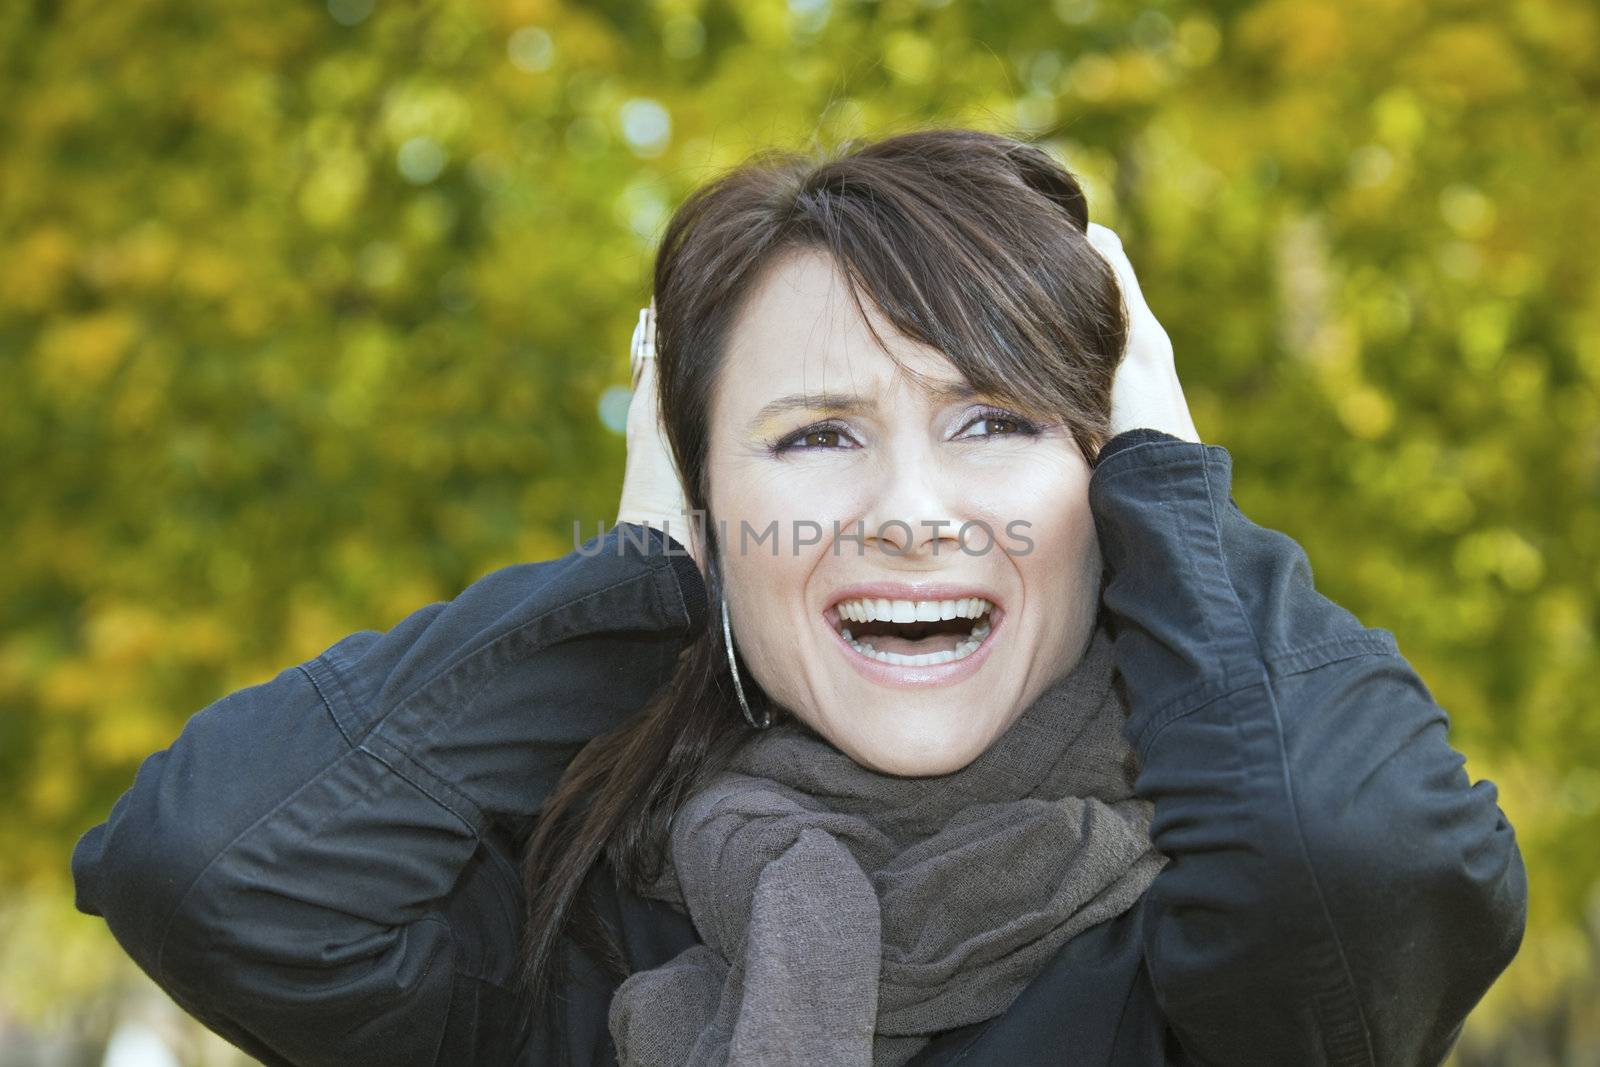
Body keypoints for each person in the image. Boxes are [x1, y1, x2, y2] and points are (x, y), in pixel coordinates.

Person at [71, 129, 1526, 1066]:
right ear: (706, 506)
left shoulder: (1227, 945)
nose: (906, 511)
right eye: (814, 436)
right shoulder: (583, 939)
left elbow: (1367, 854)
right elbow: (209, 872)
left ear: (1113, 487)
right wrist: (635, 585)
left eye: (997, 422)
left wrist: (1170, 487)